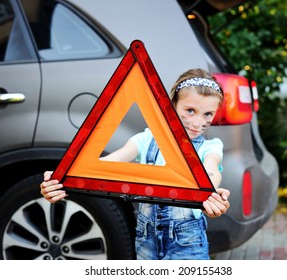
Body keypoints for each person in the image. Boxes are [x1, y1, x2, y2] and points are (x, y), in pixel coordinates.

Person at [40, 68, 230, 260]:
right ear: (172, 105)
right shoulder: (146, 140)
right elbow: (105, 164)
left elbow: (212, 171)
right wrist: (62, 177)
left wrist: (209, 193)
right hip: (146, 241)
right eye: (190, 111)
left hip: (188, 243)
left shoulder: (210, 147)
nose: (198, 123)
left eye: (208, 114)